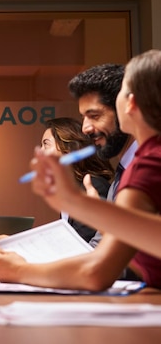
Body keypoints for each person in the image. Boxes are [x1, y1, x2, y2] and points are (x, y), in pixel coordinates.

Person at [0, 50, 161, 290]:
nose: (86, 128)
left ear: (130, 102)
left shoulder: (150, 162)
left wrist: (19, 270)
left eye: (94, 115)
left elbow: (98, 271)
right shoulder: (138, 162)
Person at [68, 64, 138, 247]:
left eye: (94, 116)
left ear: (126, 109)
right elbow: (98, 248)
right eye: (84, 117)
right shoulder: (121, 174)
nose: (85, 128)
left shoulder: (149, 168)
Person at [40, 117, 113, 242]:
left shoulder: (93, 186)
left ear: (69, 149)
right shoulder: (69, 189)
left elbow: (78, 244)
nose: (41, 151)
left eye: (46, 144)